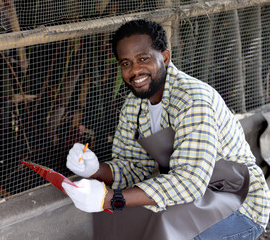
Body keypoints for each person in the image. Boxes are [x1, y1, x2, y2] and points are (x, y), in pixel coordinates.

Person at [62, 19, 270, 239]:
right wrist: (95, 170)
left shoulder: (192, 99)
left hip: (238, 202)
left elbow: (190, 181)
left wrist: (111, 198)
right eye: (126, 63)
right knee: (129, 220)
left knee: (163, 228)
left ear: (165, 57)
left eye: (143, 58)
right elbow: (135, 167)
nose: (135, 71)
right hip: (194, 202)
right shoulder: (134, 106)